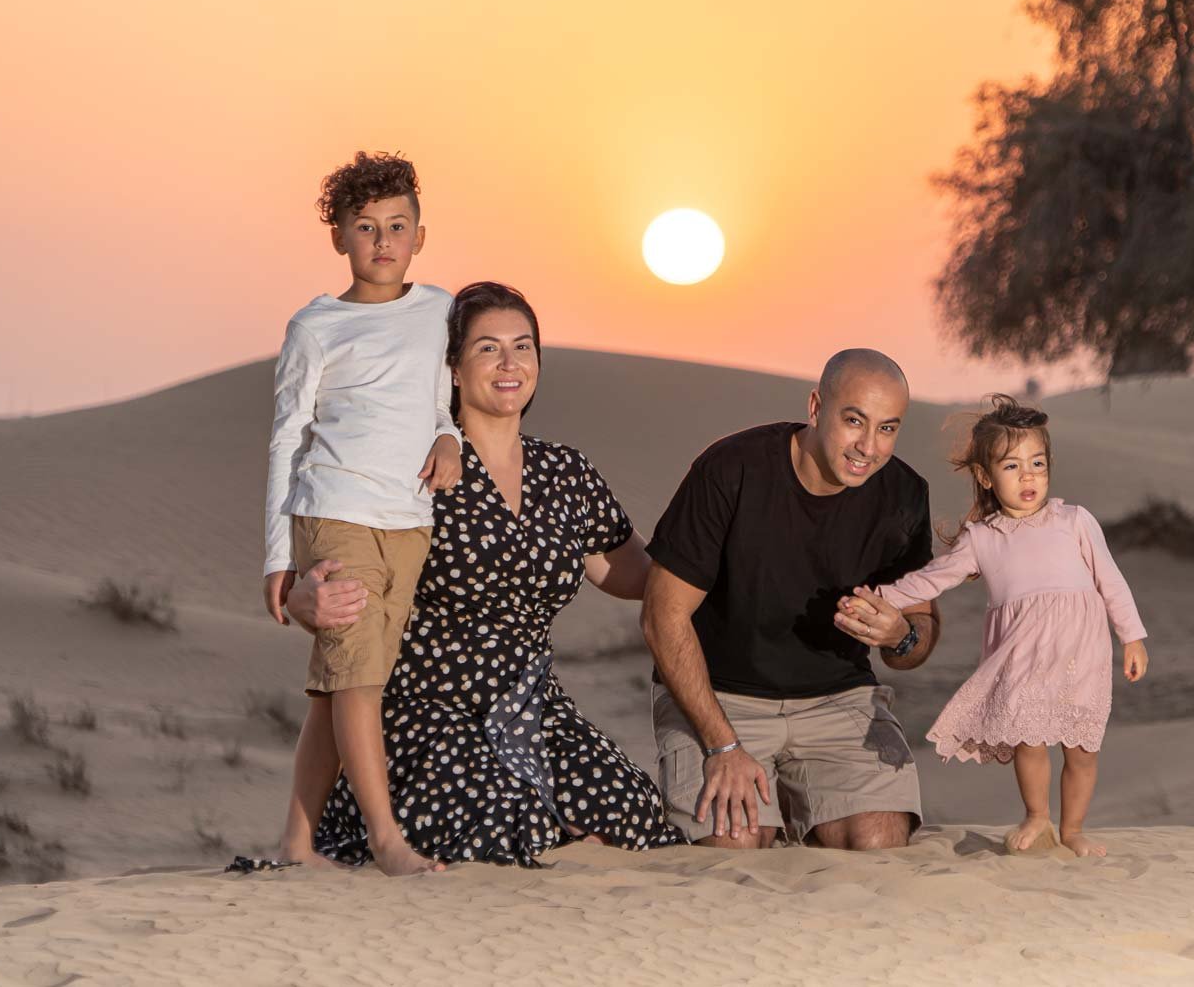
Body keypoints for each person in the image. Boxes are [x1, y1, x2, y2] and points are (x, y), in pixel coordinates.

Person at [288, 282, 686, 866]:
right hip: (426, 709)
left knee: (630, 816)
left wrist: (717, 563)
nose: (509, 364)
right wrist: (303, 594)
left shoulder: (565, 471)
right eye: (487, 349)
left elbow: (631, 572)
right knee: (491, 826)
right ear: (451, 368)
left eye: (523, 348)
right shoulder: (413, 466)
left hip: (534, 706)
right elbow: (335, 553)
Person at [640, 350, 938, 850]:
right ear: (817, 406)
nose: (868, 446)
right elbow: (661, 617)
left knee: (879, 842)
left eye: (887, 428)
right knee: (735, 844)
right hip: (719, 701)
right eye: (854, 421)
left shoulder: (904, 495)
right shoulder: (732, 469)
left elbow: (919, 634)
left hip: (838, 702)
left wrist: (900, 635)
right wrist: (722, 744)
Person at [262, 151, 463, 875]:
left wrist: (451, 435)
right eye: (366, 226)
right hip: (335, 510)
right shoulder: (315, 326)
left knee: (334, 686)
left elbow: (446, 399)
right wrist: (277, 559)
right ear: (339, 237)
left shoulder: (442, 310)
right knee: (358, 680)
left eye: (397, 225)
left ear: (419, 234)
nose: (383, 240)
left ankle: (294, 843)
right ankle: (386, 840)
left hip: (409, 521)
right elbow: (287, 437)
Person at [866, 395, 1149, 857]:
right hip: (1021, 655)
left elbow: (1110, 580)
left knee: (1081, 751)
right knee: (1028, 740)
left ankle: (1073, 829)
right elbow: (931, 580)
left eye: (1037, 462)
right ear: (985, 476)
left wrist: (1132, 637)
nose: (1029, 476)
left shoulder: (1075, 521)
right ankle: (1038, 817)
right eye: (1012, 466)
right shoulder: (983, 538)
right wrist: (882, 598)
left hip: (1081, 654)